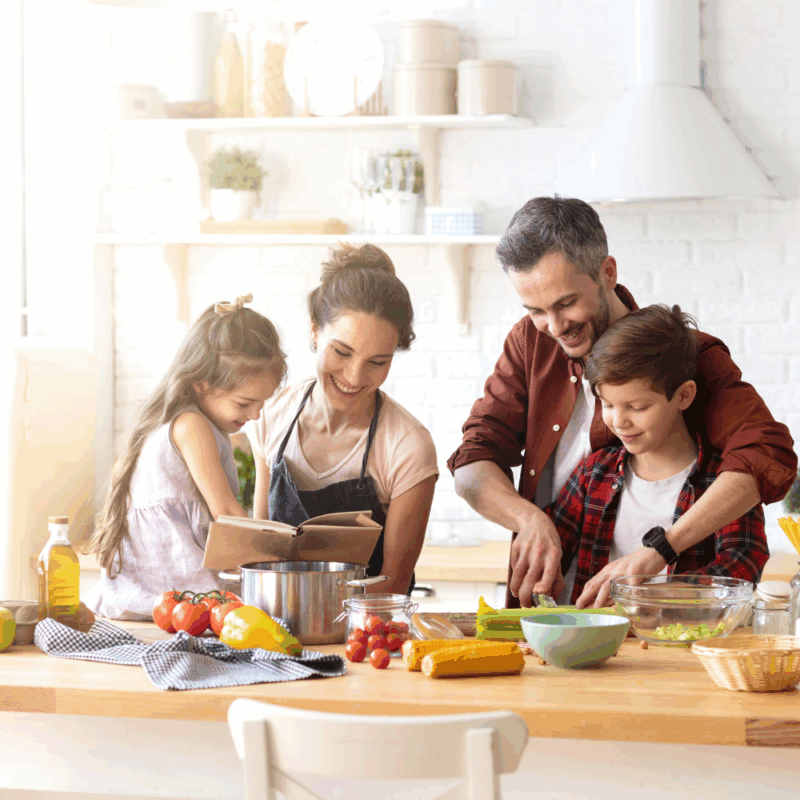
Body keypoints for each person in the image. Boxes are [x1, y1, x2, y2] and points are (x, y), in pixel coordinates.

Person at [448, 196, 797, 609]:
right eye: (535, 310)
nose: (554, 327)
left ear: (607, 272)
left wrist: (660, 554)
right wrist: (528, 519)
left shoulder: (685, 355)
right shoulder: (530, 341)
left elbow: (765, 454)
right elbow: (473, 460)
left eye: (565, 303)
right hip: (560, 613)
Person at [546, 304, 769, 607]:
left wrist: (648, 597)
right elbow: (551, 548)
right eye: (608, 404)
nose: (619, 422)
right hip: (595, 646)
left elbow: (741, 565)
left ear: (684, 395)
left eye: (637, 407)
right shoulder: (593, 473)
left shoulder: (723, 482)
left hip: (683, 647)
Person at [248, 243, 439, 595]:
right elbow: (261, 557)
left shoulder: (408, 446)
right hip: (275, 630)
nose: (354, 377)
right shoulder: (270, 416)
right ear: (315, 331)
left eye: (377, 362)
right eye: (342, 352)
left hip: (365, 636)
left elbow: (394, 585)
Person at [87, 294, 286, 619]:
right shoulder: (191, 425)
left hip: (152, 594)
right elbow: (224, 511)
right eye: (244, 403)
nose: (255, 414)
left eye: (262, 403)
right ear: (202, 384)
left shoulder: (189, 420)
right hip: (176, 593)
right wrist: (275, 559)